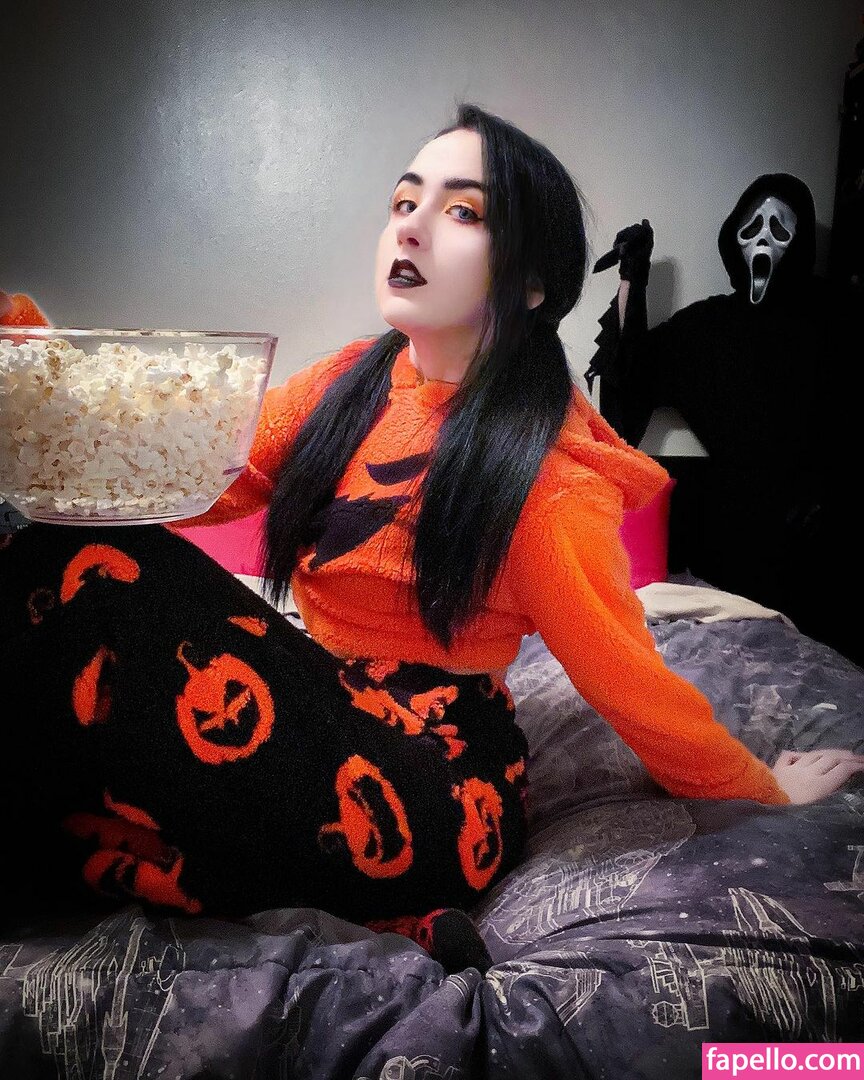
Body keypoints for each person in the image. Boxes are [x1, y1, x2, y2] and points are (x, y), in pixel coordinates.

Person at [2, 109, 862, 973]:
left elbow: (628, 679)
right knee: (61, 553)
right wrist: (42, 375)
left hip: (435, 785)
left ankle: (380, 901)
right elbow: (192, 481)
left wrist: (761, 788)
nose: (410, 225)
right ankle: (358, 909)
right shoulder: (348, 381)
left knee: (88, 570)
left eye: (462, 211)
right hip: (317, 708)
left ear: (533, 283)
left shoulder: (545, 476)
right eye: (404, 201)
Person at [586, 175, 864, 666]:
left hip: (820, 546)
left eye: (780, 229)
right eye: (751, 227)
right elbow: (629, 389)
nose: (763, 241)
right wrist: (634, 278)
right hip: (731, 540)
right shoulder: (708, 328)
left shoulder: (837, 318)